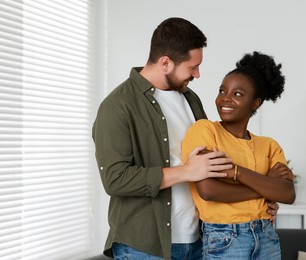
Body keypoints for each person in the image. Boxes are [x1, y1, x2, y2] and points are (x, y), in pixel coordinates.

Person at [92, 17, 280, 260]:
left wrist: (260, 200)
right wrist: (185, 171)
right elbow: (115, 179)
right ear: (166, 63)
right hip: (144, 247)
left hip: (199, 240)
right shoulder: (117, 106)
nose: (198, 74)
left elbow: (211, 166)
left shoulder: (190, 99)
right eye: (192, 67)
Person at [182, 51, 296, 259]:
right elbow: (209, 190)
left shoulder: (269, 145)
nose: (225, 98)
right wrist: (266, 186)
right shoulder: (205, 131)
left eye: (238, 94)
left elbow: (288, 194)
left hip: (266, 236)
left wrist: (236, 172)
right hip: (225, 238)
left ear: (255, 103)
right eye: (222, 90)